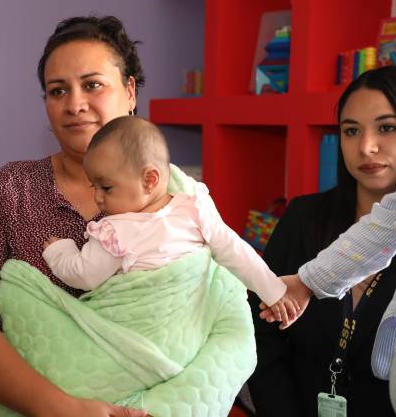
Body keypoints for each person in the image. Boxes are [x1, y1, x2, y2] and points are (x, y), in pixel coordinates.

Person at [0, 16, 256, 417]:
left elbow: (229, 321)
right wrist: (63, 409)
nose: (74, 104)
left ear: (130, 92)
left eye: (92, 85)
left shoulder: (179, 194)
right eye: (58, 91)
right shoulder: (10, 190)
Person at [273, 58, 396, 416]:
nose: (366, 146)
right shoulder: (302, 218)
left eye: (387, 128)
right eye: (351, 131)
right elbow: (261, 336)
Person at [43, 115, 298, 324]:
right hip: (168, 322)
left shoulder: (115, 232)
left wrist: (59, 251)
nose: (98, 198)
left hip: (163, 320)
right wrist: (273, 291)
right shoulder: (192, 208)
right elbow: (236, 250)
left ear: (150, 180)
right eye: (94, 187)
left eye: (106, 187)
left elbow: (84, 275)